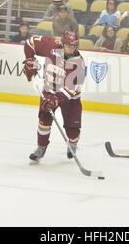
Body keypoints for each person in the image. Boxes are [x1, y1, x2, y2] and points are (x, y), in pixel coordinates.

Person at [22, 31, 86, 163]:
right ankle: (41, 148)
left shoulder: (79, 63)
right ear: (62, 43)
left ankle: (73, 143)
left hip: (70, 99)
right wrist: (30, 60)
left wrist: (56, 99)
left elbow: (71, 90)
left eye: (74, 45)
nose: (71, 48)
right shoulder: (51, 45)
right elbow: (30, 43)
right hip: (49, 91)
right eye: (68, 45)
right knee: (43, 122)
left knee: (72, 129)